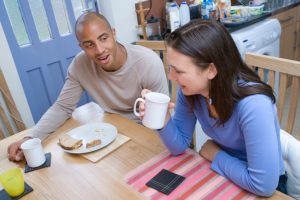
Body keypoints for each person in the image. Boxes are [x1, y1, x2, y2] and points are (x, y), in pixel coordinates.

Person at [140, 19, 285, 196]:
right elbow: (178, 147)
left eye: (179, 71)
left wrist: (216, 155)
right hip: (227, 174)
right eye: (170, 68)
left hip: (264, 187)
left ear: (211, 70)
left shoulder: (255, 106)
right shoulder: (191, 92)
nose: (171, 77)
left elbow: (263, 185)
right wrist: (162, 119)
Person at [8, 12, 168, 162]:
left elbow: (159, 119)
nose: (99, 50)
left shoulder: (148, 62)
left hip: (145, 131)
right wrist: (29, 138)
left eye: (103, 38)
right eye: (89, 45)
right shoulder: (80, 65)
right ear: (81, 47)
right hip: (111, 131)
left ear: (113, 33)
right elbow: (62, 107)